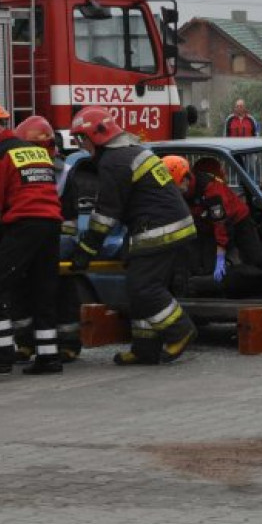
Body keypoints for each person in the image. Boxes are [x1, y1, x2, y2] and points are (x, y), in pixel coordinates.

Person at [69, 107, 197, 366]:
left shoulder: (113, 161)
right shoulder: (130, 151)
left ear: (96, 136)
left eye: (82, 139)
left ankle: (180, 330)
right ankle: (145, 349)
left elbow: (106, 213)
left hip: (158, 229)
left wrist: (86, 250)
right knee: (141, 289)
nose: (82, 146)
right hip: (169, 226)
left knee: (143, 288)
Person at [0, 103, 64, 378]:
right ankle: (48, 356)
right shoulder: (38, 153)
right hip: (51, 226)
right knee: (42, 290)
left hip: (24, 227)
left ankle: (0, 357)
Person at [10, 115, 83, 364]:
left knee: (62, 289)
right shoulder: (16, 171)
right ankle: (25, 342)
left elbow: (70, 223)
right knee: (18, 288)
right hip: (29, 241)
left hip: (59, 242)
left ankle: (68, 343)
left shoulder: (65, 175)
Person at [162, 155, 262, 282]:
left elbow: (221, 224)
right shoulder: (182, 191)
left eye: (175, 188)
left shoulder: (210, 189)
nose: (174, 193)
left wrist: (221, 254)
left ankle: (258, 284)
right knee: (204, 265)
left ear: (185, 179)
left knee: (255, 259)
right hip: (206, 225)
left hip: (237, 219)